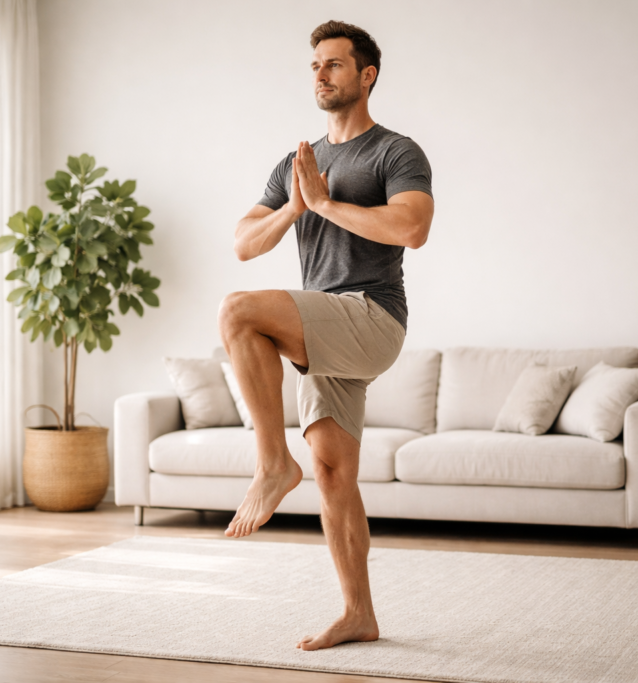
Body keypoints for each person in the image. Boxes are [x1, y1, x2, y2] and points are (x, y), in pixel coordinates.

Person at [218, 19, 434, 651]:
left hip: (371, 316)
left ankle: (270, 464)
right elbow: (243, 242)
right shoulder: (296, 163)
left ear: (366, 76)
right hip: (325, 324)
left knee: (237, 313)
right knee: (335, 473)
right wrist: (294, 205)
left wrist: (327, 202)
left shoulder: (395, 152)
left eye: (335, 64)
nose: (321, 73)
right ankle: (358, 614)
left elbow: (412, 228)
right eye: (315, 64)